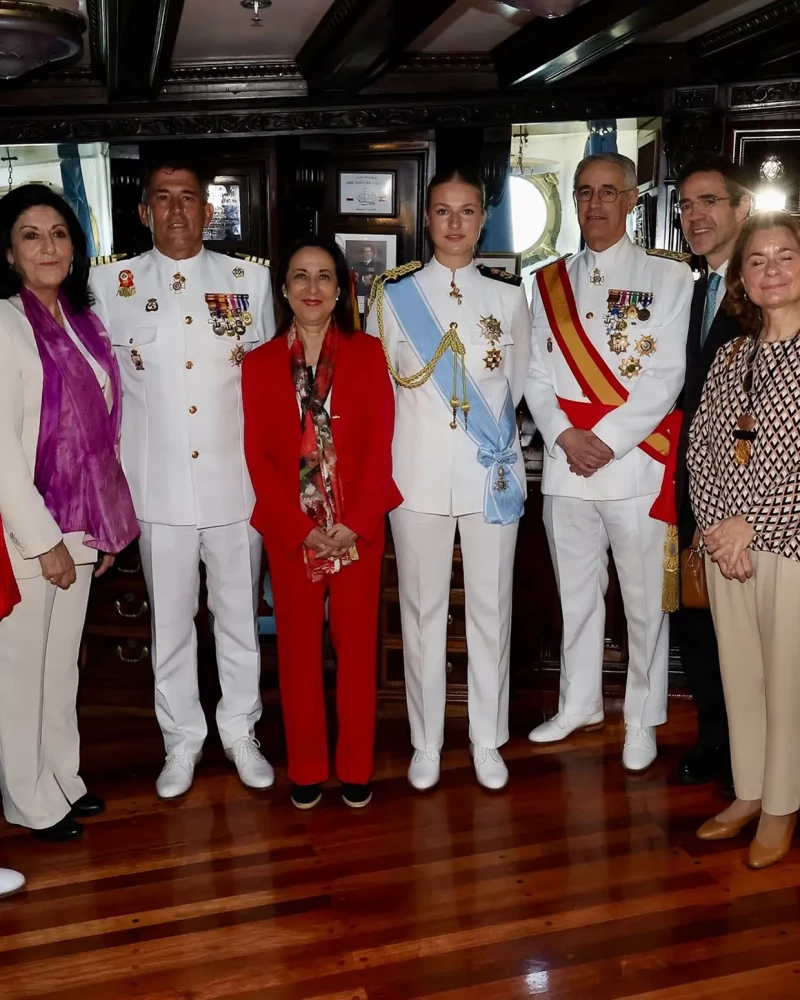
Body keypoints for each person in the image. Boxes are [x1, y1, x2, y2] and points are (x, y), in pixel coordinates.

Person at [90, 162, 276, 799]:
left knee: (237, 620)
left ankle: (240, 730)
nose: (175, 211)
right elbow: (101, 394)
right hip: (157, 491)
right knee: (168, 624)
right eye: (162, 200)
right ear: (145, 212)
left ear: (207, 209)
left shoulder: (249, 280)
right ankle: (181, 740)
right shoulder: (108, 284)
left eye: (188, 199)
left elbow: (271, 388)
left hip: (234, 487)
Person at [525, 152, 693, 772]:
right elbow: (535, 372)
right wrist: (566, 435)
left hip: (636, 466)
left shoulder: (670, 277)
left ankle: (642, 717)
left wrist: (610, 440)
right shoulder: (545, 282)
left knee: (645, 599)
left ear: (631, 200)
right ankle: (579, 703)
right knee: (576, 593)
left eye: (607, 192)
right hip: (568, 467)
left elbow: (665, 375)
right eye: (584, 193)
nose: (594, 204)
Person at [368, 167, 531, 792]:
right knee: (422, 611)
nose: (455, 223)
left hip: (490, 475)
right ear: (425, 218)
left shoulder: (509, 297)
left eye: (467, 211)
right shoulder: (392, 295)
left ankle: (487, 739)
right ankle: (426, 741)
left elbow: (513, 387)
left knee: (492, 610)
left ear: (483, 218)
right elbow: (383, 393)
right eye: (443, 211)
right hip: (417, 478)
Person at [0, 184, 139, 841]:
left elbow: (103, 436)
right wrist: (42, 539)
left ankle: (62, 772)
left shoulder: (85, 321)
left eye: (59, 232)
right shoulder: (4, 324)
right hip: (28, 531)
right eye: (31, 234)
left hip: (85, 522)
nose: (48, 246)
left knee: (62, 664)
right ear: (8, 251)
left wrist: (104, 524)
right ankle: (26, 797)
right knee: (20, 672)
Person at [243, 237, 401, 810]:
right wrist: (297, 525)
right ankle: (308, 765)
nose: (312, 288)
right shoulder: (259, 364)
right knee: (298, 651)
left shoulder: (368, 354)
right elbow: (257, 456)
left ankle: (356, 764)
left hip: (357, 529)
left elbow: (382, 445)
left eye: (324, 277)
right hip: (294, 533)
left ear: (340, 290)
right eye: (300, 277)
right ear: (284, 289)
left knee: (357, 649)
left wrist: (354, 523)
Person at [688, 211, 800, 869]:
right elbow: (702, 446)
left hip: (789, 543)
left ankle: (783, 803)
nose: (770, 271)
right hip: (729, 549)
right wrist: (716, 528)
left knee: (787, 680)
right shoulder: (731, 354)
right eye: (756, 261)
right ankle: (751, 789)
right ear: (741, 278)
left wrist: (749, 523)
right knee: (741, 676)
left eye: (784, 256)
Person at [674, 157, 751, 793]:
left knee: (746, 628)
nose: (695, 216)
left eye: (709, 203)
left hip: (748, 486)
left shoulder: (760, 285)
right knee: (697, 615)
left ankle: (755, 760)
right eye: (687, 206)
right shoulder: (693, 287)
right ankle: (716, 741)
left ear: (742, 209)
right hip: (691, 482)